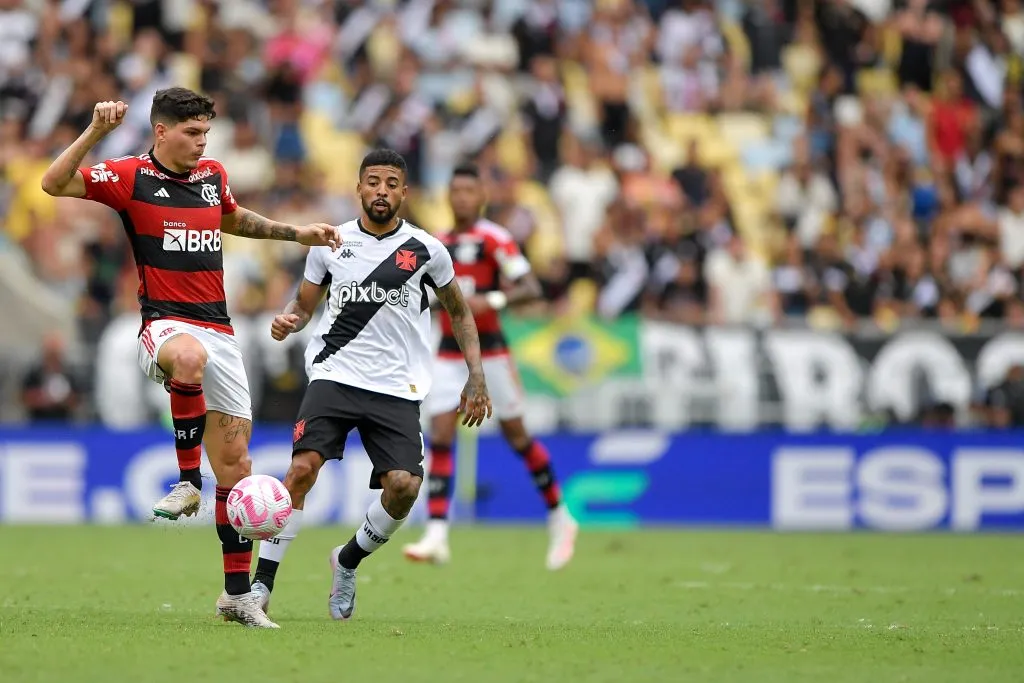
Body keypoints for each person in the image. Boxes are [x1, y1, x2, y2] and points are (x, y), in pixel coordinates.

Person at [40, 88, 340, 628]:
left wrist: (295, 233)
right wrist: (95, 133)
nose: (203, 143)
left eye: (206, 133)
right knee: (188, 358)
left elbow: (234, 218)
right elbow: (53, 182)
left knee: (238, 467)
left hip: (220, 331)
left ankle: (235, 596)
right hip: (166, 325)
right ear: (161, 131)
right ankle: (185, 482)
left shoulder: (213, 177)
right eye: (192, 133)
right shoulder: (130, 177)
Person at [249, 148, 492, 620]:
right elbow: (304, 305)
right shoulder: (331, 241)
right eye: (373, 182)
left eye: (392, 183)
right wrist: (289, 321)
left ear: (405, 192)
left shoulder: (426, 250)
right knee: (301, 471)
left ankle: (347, 559)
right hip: (334, 373)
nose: (382, 191)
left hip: (396, 386)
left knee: (403, 487)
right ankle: (261, 587)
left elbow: (460, 314)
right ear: (359, 188)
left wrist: (476, 376)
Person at [402, 163, 578, 570]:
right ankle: (437, 533)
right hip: (446, 352)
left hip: (492, 353)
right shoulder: (437, 243)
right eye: (455, 190)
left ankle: (559, 516)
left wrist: (492, 301)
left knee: (518, 437)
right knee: (442, 435)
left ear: (481, 196)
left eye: (468, 190)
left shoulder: (496, 239)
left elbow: (530, 288)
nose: (461, 197)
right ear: (448, 196)